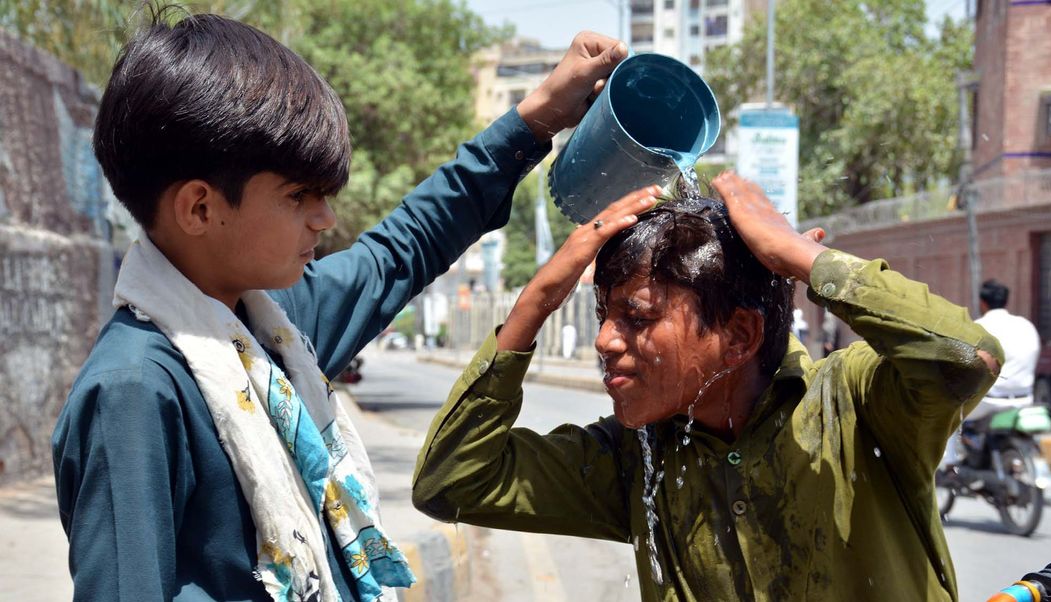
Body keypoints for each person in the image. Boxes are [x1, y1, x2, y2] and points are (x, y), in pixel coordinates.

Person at [50, 10, 628, 601]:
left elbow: (404, 246)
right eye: (298, 195)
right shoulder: (135, 391)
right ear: (200, 209)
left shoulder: (275, 330)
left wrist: (538, 118)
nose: (324, 218)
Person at [411, 172, 1002, 601]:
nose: (605, 342)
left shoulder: (855, 405)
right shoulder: (636, 456)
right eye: (603, 316)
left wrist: (799, 257)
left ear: (740, 335)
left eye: (637, 317)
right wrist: (536, 301)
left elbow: (966, 358)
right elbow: (452, 483)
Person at [970, 278, 1041, 417]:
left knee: (949, 420)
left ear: (982, 303)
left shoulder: (979, 327)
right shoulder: (1026, 325)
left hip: (990, 402)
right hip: (1025, 400)